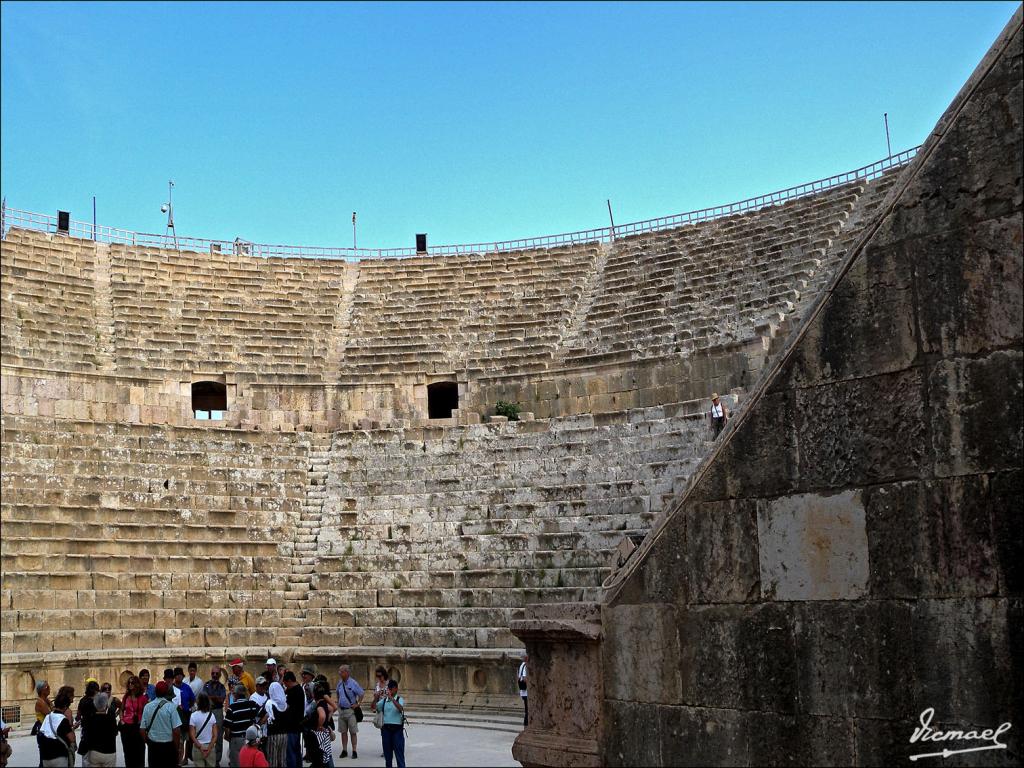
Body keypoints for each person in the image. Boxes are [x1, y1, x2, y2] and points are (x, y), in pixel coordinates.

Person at [140, 680, 181, 768]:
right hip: (168, 747)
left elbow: (142, 729)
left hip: (153, 746)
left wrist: (148, 742)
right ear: (166, 692)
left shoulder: (147, 707)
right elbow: (176, 731)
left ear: (155, 692)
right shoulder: (171, 707)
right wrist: (176, 748)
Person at [223, 684, 261, 768]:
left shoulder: (232, 708)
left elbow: (226, 726)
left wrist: (227, 736)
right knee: (249, 762)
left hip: (237, 739)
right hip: (251, 739)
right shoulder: (252, 704)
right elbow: (265, 714)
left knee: (236, 763)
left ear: (235, 695)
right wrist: (258, 726)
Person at [37, 691, 75, 768]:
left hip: (46, 758)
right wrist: (72, 728)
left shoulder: (48, 716)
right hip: (59, 756)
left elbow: (43, 732)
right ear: (65, 706)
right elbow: (72, 738)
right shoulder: (63, 720)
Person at [334, 665, 363, 759]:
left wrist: (358, 703)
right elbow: (337, 692)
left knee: (353, 731)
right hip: (341, 710)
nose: (339, 673)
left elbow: (361, 693)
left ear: (347, 672)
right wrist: (338, 702)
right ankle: (344, 750)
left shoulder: (353, 683)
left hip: (350, 711)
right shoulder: (339, 683)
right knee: (343, 732)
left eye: (341, 671)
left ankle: (354, 750)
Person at [375, 680, 405, 768]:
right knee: (388, 757)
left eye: (391, 689)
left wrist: (392, 698)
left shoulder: (400, 699)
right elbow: (374, 707)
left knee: (399, 755)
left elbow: (400, 708)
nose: (390, 691)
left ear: (396, 689)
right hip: (386, 730)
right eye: (389, 689)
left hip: (397, 731)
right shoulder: (384, 701)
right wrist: (376, 697)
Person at [120, 675, 149, 768]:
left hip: (138, 726)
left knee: (139, 751)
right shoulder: (126, 697)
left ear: (137, 684)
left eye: (132, 682)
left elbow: (147, 711)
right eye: (129, 683)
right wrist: (121, 720)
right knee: (128, 751)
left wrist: (144, 723)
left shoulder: (143, 698)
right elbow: (121, 709)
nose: (130, 684)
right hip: (127, 726)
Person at [202, 666, 227, 767]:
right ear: (211, 674)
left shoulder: (221, 687)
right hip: (208, 711)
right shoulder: (206, 685)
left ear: (220, 675)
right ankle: (207, 757)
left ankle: (217, 759)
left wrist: (211, 697)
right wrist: (215, 697)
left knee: (219, 735)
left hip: (218, 711)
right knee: (207, 735)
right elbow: (204, 698)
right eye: (213, 673)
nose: (215, 675)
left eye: (217, 674)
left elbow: (221, 700)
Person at [86, 692, 118, 768]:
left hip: (94, 752)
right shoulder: (111, 719)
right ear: (106, 704)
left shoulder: (90, 718)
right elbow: (115, 733)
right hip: (109, 751)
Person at [310, 683, 337, 768]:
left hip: (319, 733)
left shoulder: (319, 706)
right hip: (324, 732)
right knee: (327, 754)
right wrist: (327, 721)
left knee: (322, 756)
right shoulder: (324, 703)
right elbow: (333, 708)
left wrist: (319, 725)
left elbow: (322, 716)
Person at [264, 673, 289, 767]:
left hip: (273, 735)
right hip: (284, 735)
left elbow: (267, 717)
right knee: (282, 759)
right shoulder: (285, 704)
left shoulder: (270, 703)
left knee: (272, 760)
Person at [189, 693, 219, 768]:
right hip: (209, 745)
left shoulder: (193, 716)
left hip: (197, 747)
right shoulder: (211, 716)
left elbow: (192, 735)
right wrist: (209, 748)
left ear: (198, 702)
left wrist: (200, 747)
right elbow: (215, 735)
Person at [282, 672, 305, 768]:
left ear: (290, 681)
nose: (285, 686)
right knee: (296, 750)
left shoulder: (294, 692)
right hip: (296, 725)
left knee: (291, 751)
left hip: (292, 725)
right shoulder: (297, 689)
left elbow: (287, 707)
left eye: (286, 683)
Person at [76, 679, 100, 767]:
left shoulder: (82, 700)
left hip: (85, 730)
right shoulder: (97, 702)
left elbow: (78, 716)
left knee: (86, 758)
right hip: (96, 731)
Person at [517, 655, 529, 727]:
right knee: (528, 710)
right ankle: (526, 726)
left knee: (527, 710)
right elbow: (524, 679)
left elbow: (518, 677)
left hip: (523, 692)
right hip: (527, 692)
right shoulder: (525, 666)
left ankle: (526, 726)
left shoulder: (521, 665)